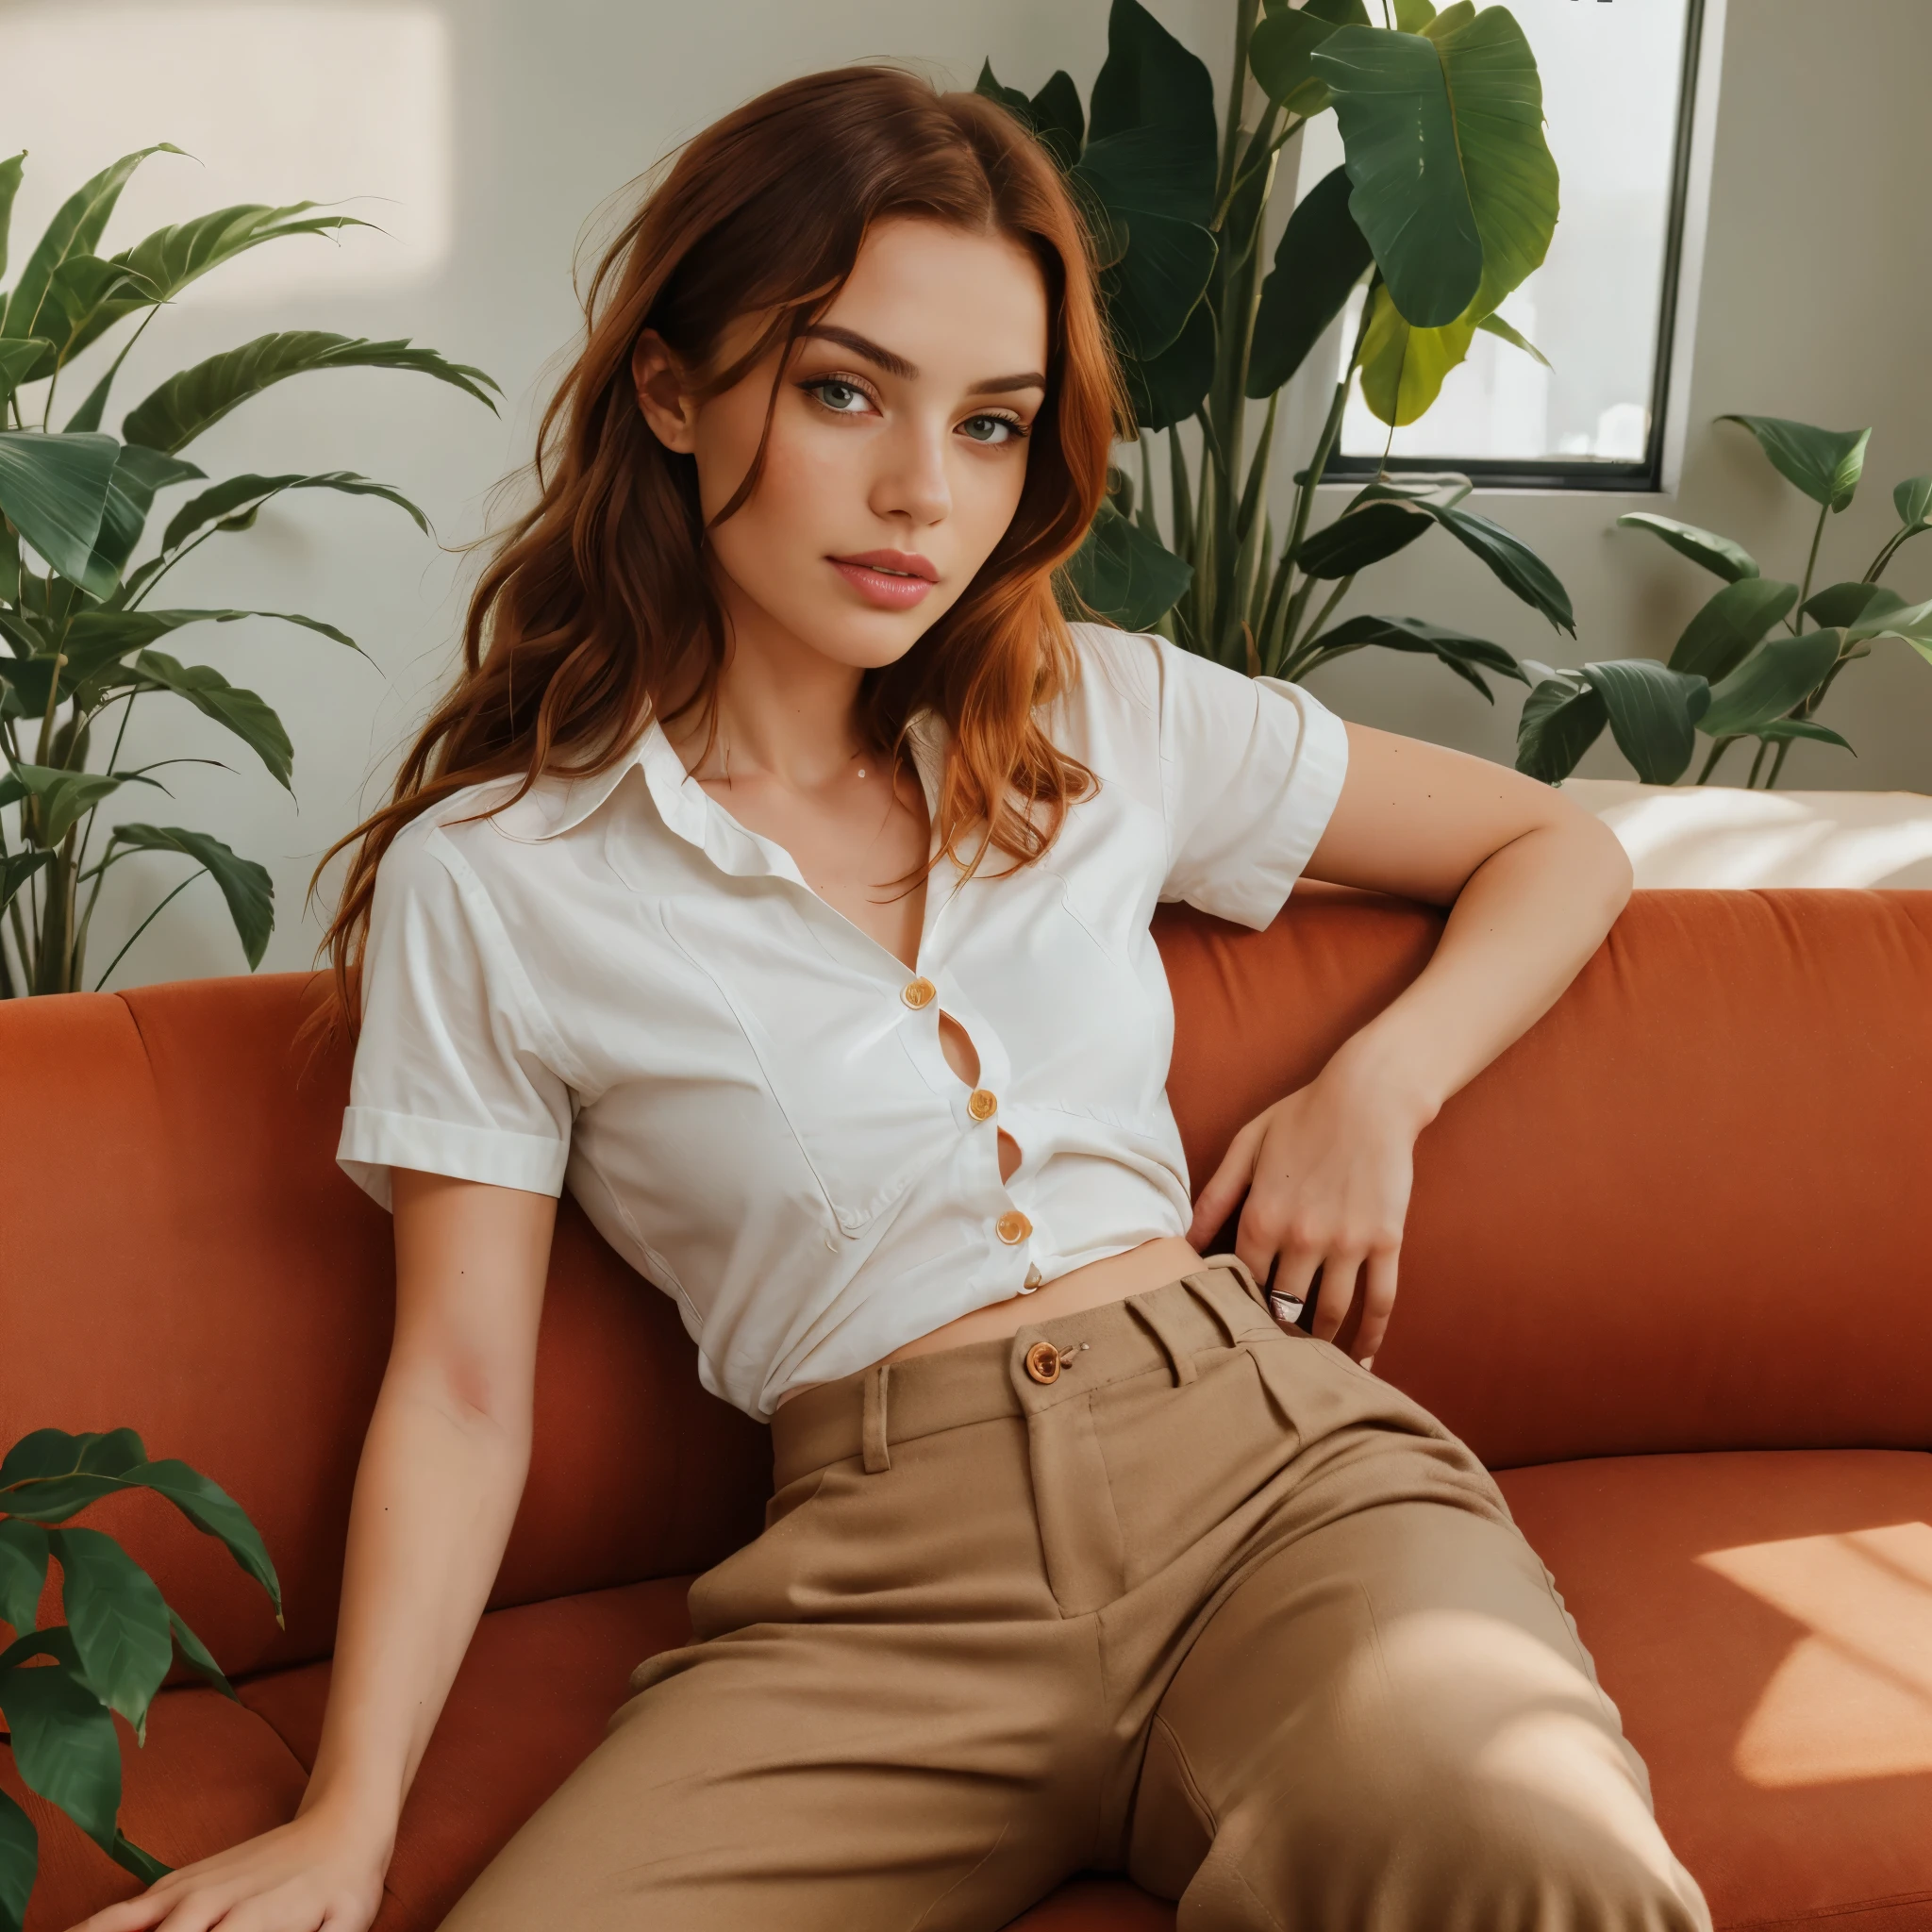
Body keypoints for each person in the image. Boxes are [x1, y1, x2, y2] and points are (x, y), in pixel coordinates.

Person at [75, 65, 1710, 1932]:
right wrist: (349, 1817)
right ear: (674, 391)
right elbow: (458, 1390)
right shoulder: (500, 880)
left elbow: (1552, 850)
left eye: (993, 424)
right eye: (843, 389)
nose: (923, 494)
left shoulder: (1102, 712)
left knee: (1536, 1861)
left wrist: (1378, 1090)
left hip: (1272, 1495)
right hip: (877, 1594)